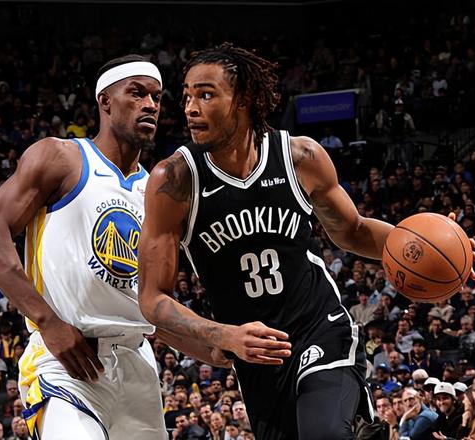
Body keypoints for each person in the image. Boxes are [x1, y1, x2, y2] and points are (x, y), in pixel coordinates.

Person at [139, 43, 397, 440]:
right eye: (187, 96)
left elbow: (354, 231)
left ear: (243, 99)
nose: (190, 108)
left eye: (205, 95)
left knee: (326, 433)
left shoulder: (300, 157)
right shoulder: (174, 180)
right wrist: (222, 334)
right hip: (255, 354)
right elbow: (152, 299)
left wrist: (416, 242)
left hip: (319, 327)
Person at [0, 55, 169, 439]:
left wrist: (217, 342)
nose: (150, 105)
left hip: (138, 364)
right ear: (105, 101)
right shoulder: (61, 157)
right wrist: (47, 321)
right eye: (137, 93)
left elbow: (155, 301)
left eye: (157, 97)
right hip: (66, 358)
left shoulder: (155, 191)